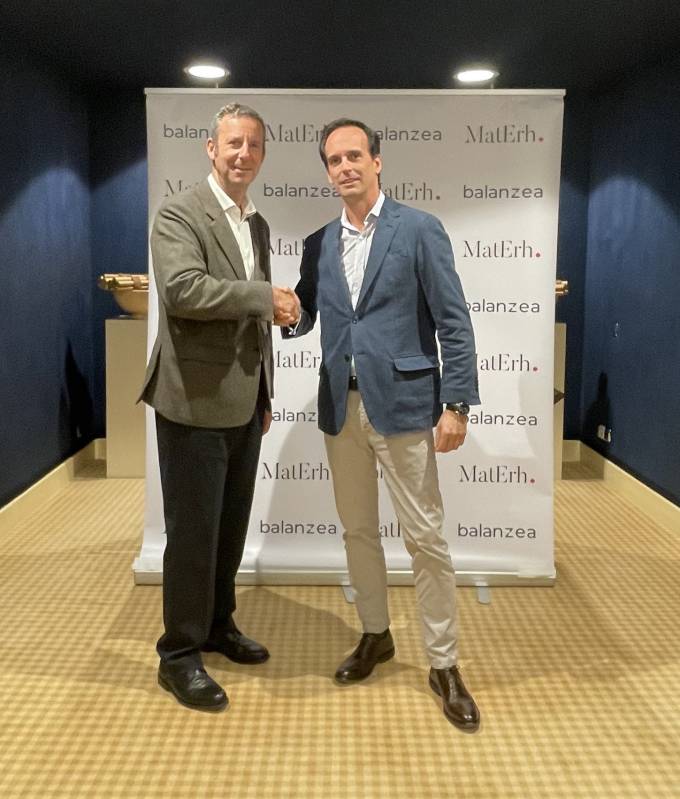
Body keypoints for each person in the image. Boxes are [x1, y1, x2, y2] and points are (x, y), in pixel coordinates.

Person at [283, 118, 481, 731]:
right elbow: (307, 314)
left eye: (354, 156)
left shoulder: (419, 230)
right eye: (333, 160)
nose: (344, 167)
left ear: (377, 161)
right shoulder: (318, 243)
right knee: (358, 532)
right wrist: (282, 311)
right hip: (339, 408)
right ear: (326, 171)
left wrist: (457, 404)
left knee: (425, 538)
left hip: (404, 406)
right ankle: (376, 634)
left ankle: (444, 663)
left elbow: (454, 321)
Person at [140, 103, 299, 712]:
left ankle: (216, 625)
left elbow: (254, 319)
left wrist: (265, 392)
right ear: (211, 148)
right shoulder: (179, 213)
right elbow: (183, 292)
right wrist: (263, 297)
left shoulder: (256, 223)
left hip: (243, 402)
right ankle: (179, 655)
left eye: (254, 145)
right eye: (233, 143)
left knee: (229, 527)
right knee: (192, 535)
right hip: (192, 402)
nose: (243, 154)